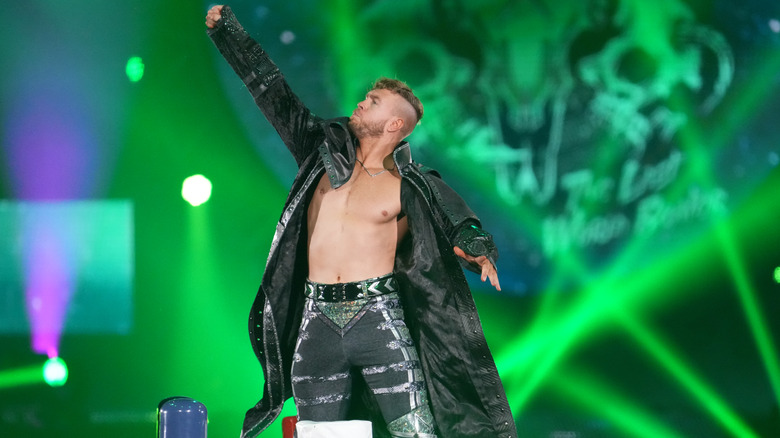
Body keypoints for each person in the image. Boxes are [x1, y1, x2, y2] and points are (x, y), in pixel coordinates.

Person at [206, 5, 516, 438]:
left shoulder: (410, 184)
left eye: (372, 103)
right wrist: (229, 34)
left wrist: (476, 247)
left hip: (378, 319)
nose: (360, 102)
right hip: (316, 322)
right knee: (317, 434)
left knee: (416, 433)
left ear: (393, 124)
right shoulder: (319, 154)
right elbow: (273, 94)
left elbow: (457, 218)